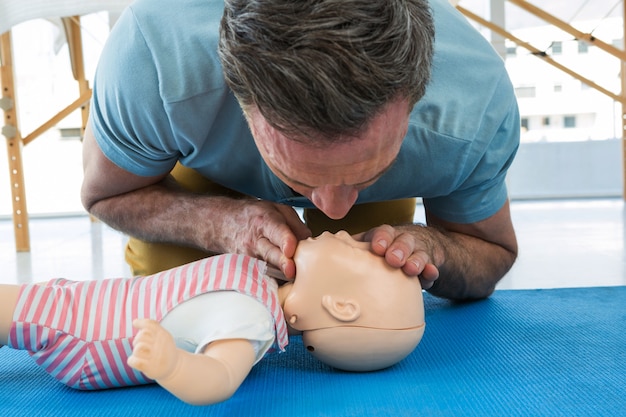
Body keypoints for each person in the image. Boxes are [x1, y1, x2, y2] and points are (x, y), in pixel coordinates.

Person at [81, 0, 520, 301]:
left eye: (363, 174)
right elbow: (106, 194)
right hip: (206, 157)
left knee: (368, 288)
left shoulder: (475, 107)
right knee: (174, 287)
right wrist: (219, 224)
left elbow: (490, 253)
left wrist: (436, 247)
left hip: (424, 149)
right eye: (302, 176)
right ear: (239, 98)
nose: (332, 211)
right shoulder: (155, 56)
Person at [0, 231, 425, 405]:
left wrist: (173, 363)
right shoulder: (263, 281)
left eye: (353, 247)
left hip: (86, 336)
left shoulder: (252, 318)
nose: (349, 234)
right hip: (86, 299)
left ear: (341, 307)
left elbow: (220, 378)